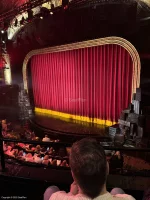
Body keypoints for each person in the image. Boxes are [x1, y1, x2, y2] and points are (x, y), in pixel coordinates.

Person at [44, 138, 135, 200]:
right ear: (107, 168)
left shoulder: (55, 197)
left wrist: (71, 195)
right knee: (117, 190)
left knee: (51, 190)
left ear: (73, 175)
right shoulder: (129, 199)